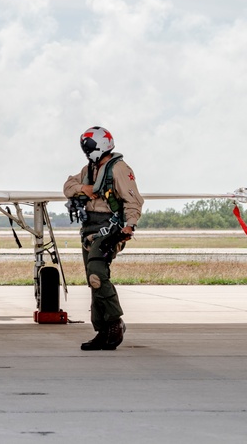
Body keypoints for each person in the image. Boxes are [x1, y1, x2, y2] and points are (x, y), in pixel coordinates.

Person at [62, 126, 144, 351]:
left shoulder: (118, 168)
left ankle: (115, 323)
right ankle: (102, 330)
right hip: (89, 228)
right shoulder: (90, 170)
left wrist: (129, 226)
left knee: (97, 274)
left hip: (111, 227)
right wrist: (84, 189)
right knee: (93, 279)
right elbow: (68, 187)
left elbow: (134, 200)